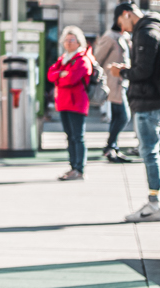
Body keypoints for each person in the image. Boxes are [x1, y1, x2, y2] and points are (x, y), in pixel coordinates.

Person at [111, 0, 160, 222]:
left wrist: (123, 72)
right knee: (157, 151)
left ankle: (155, 204)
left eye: (121, 23)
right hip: (154, 100)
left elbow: (143, 71)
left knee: (150, 152)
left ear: (127, 14)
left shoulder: (145, 33)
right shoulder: (154, 29)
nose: (123, 29)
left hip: (147, 101)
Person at [46, 26, 97, 180]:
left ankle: (79, 169)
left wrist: (60, 76)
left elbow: (71, 79)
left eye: (72, 40)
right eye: (66, 40)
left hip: (77, 103)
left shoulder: (83, 59)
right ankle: (72, 167)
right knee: (69, 137)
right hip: (63, 103)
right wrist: (61, 74)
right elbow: (50, 74)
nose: (68, 43)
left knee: (77, 136)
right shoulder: (64, 59)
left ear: (78, 41)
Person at [92, 17, 131, 163]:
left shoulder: (124, 37)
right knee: (123, 116)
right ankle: (110, 146)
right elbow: (97, 60)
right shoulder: (109, 38)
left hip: (122, 82)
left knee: (118, 116)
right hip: (112, 83)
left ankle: (112, 147)